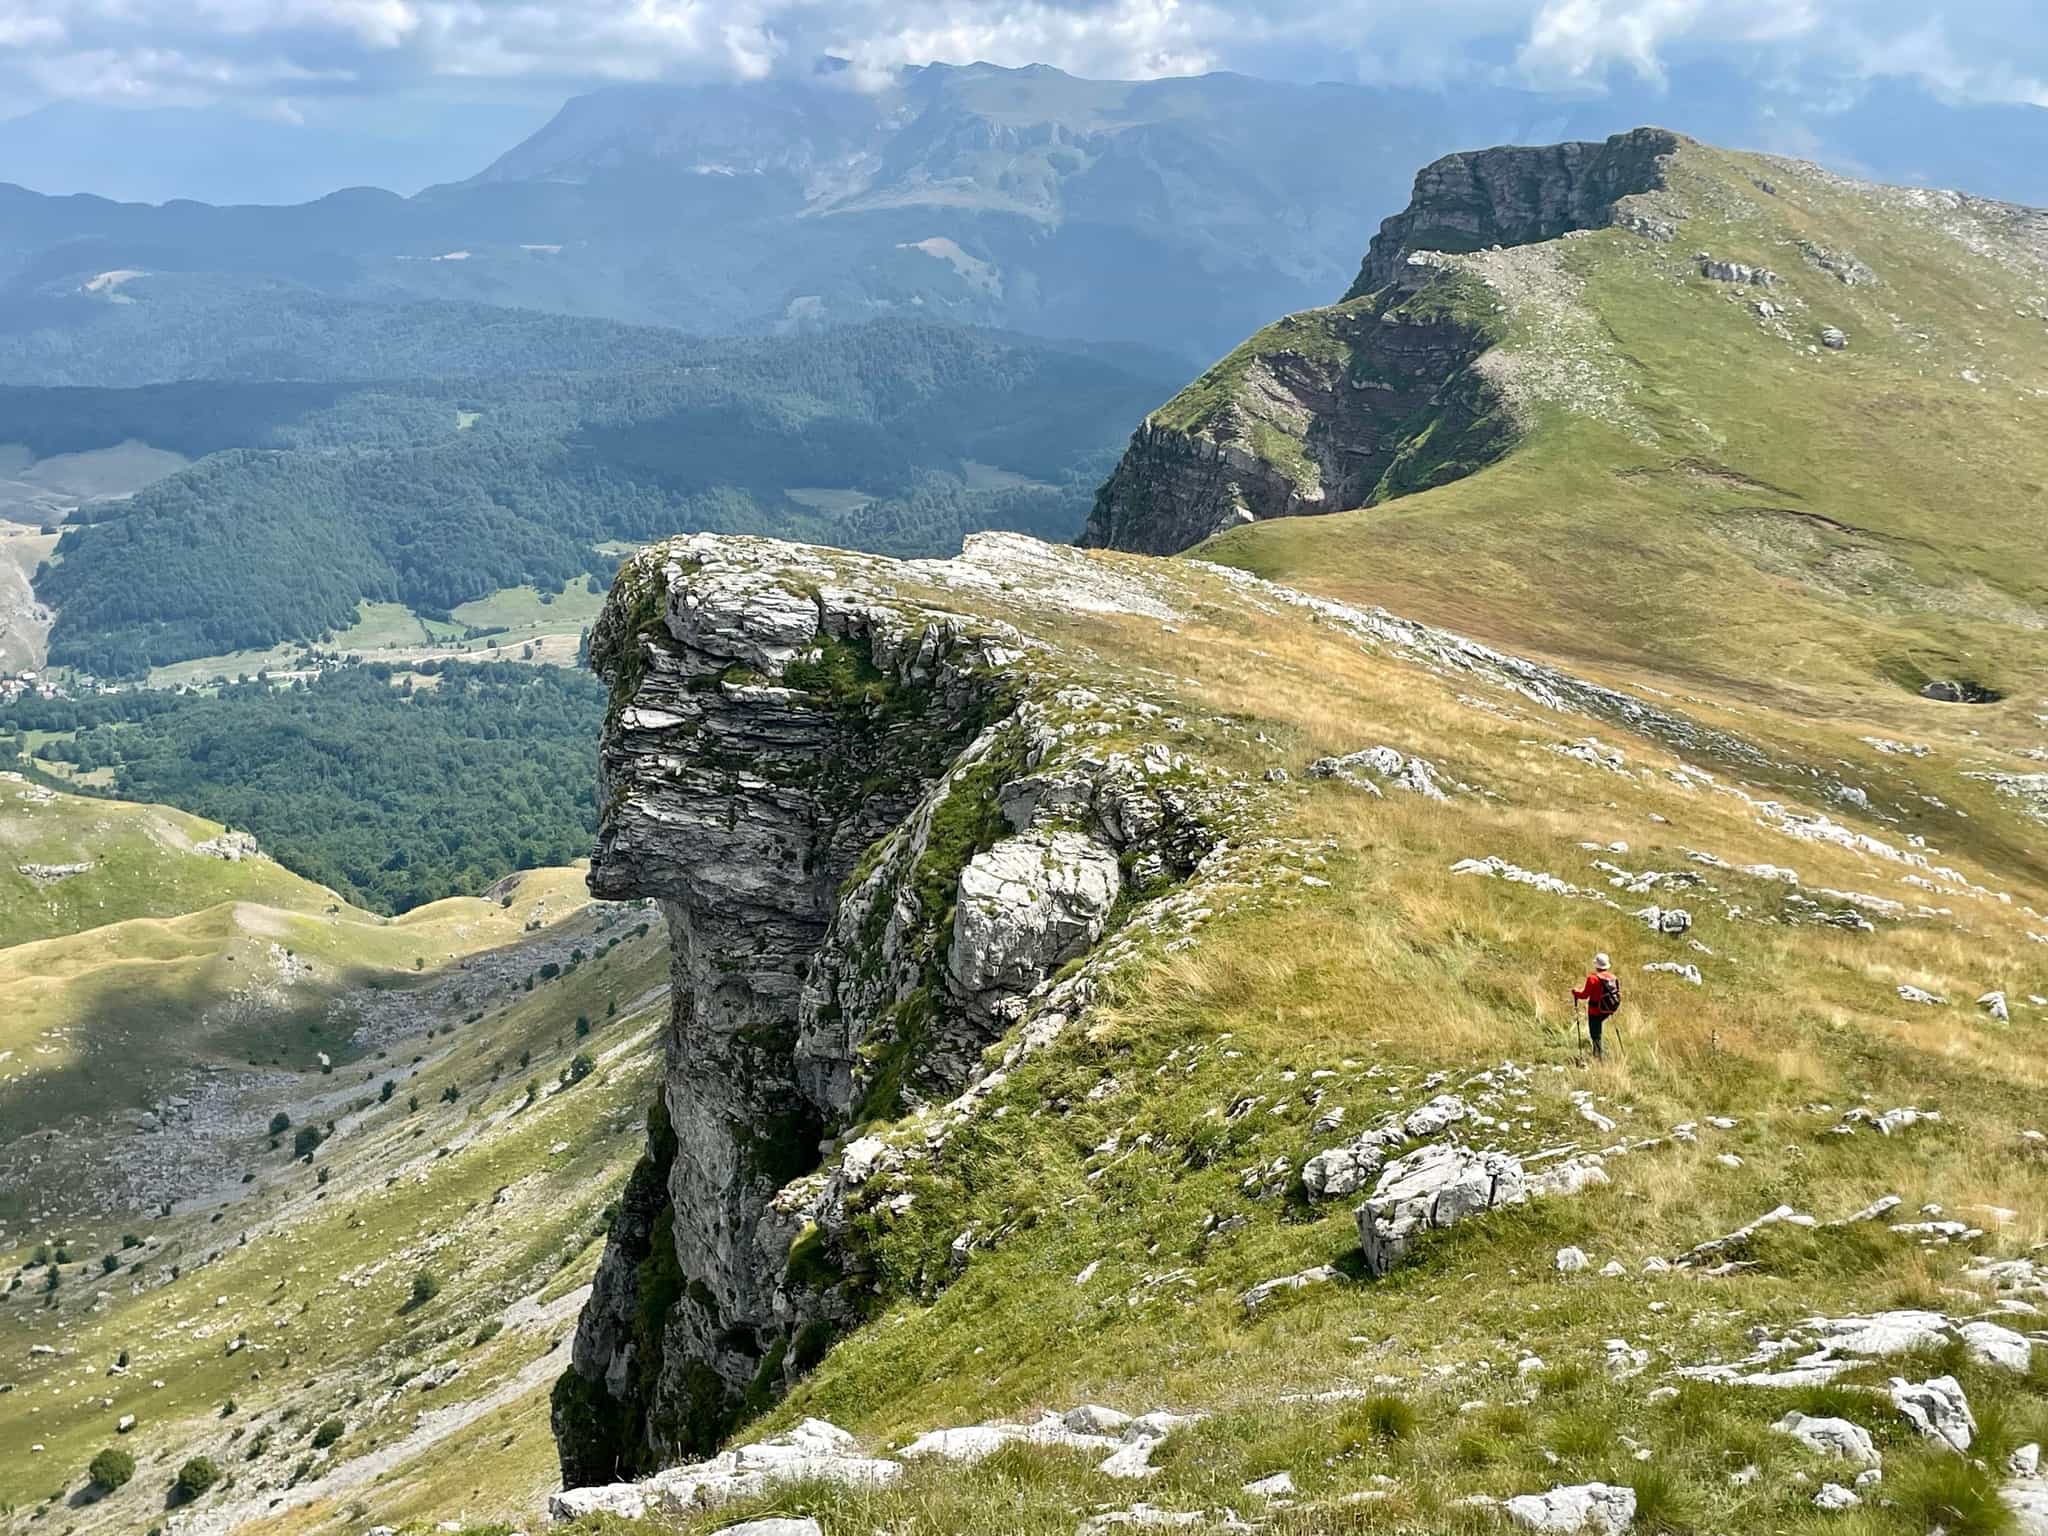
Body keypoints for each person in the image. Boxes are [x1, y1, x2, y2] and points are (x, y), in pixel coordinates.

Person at [1572, 952, 1620, 1059]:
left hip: (1595, 1010)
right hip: (1608, 1009)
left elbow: (1584, 995)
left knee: (1595, 1034)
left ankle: (1598, 1057)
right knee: (1598, 1031)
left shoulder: (1592, 979)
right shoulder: (1613, 977)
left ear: (1596, 965)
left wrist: (1575, 992)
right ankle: (1599, 1054)